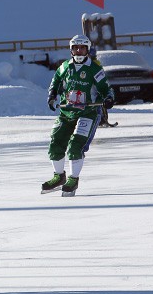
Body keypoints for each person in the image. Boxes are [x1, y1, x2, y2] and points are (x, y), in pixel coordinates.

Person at [42, 34, 115, 196]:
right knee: (56, 141)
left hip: (87, 113)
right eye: (75, 48)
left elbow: (106, 89)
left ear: (87, 50)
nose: (79, 51)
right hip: (67, 112)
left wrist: (109, 99)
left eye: (82, 48)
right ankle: (59, 176)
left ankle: (73, 179)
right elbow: (55, 81)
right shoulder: (65, 66)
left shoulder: (95, 69)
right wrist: (52, 96)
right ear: (71, 50)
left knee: (76, 146)